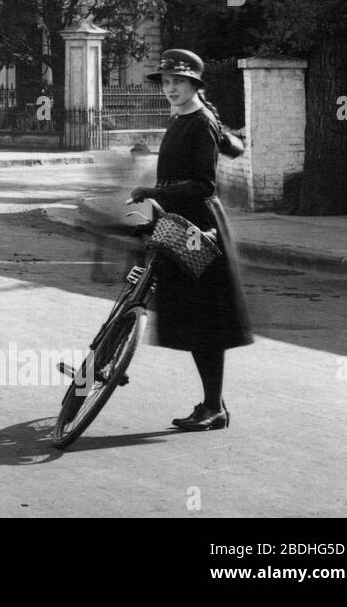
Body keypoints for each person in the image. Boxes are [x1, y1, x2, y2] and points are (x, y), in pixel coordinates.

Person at [128, 49, 253, 431]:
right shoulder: (186, 118)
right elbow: (228, 148)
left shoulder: (199, 122)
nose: (170, 89)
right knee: (191, 314)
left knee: (205, 318)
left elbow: (203, 184)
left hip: (198, 228)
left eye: (178, 82)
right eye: (166, 82)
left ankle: (213, 407)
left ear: (194, 84)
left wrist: (153, 191)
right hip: (178, 220)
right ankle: (211, 404)